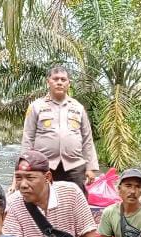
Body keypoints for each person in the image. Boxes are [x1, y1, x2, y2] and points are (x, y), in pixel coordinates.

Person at [22, 66, 99, 196]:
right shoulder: (36, 106)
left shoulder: (78, 107)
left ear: (69, 83)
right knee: (43, 201)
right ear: (48, 82)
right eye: (55, 79)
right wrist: (25, 165)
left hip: (74, 165)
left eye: (63, 79)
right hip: (45, 165)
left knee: (78, 202)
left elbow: (87, 139)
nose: (59, 82)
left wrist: (91, 167)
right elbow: (28, 137)